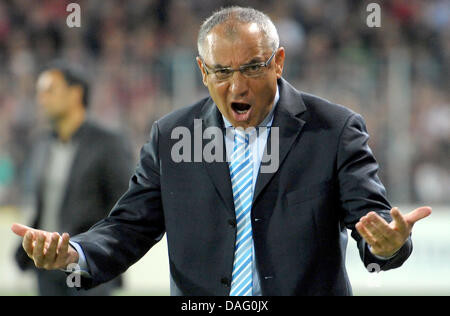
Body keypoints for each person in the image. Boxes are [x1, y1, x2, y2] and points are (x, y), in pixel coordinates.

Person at [12, 7, 431, 296]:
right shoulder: (172, 136)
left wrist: (386, 244)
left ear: (279, 61)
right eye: (222, 72)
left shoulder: (334, 130)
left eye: (252, 67)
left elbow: (373, 224)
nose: (238, 86)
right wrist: (75, 253)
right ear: (202, 70)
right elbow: (129, 228)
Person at [13, 62, 134, 296]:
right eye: (39, 92)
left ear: (75, 93)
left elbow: (124, 205)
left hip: (87, 266)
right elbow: (44, 205)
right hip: (47, 270)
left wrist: (101, 252)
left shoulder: (108, 142)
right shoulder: (43, 144)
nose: (41, 99)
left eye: (49, 90)